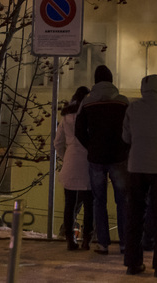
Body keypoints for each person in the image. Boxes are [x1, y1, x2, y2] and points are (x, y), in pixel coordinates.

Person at [122, 74, 157, 277]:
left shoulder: (132, 108)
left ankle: (133, 263)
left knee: (134, 215)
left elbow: (125, 137)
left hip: (135, 167)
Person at [75, 65, 129, 255]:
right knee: (122, 200)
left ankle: (103, 243)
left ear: (95, 81)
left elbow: (78, 130)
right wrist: (125, 147)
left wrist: (91, 146)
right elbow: (130, 128)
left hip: (96, 157)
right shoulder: (123, 102)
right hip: (118, 157)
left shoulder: (87, 102)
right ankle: (124, 243)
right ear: (112, 80)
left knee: (99, 200)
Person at [54, 86, 93, 250]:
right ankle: (86, 240)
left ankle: (70, 239)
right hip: (88, 162)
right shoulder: (90, 115)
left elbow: (58, 143)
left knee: (69, 204)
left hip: (70, 161)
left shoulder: (66, 117)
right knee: (89, 203)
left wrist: (66, 157)